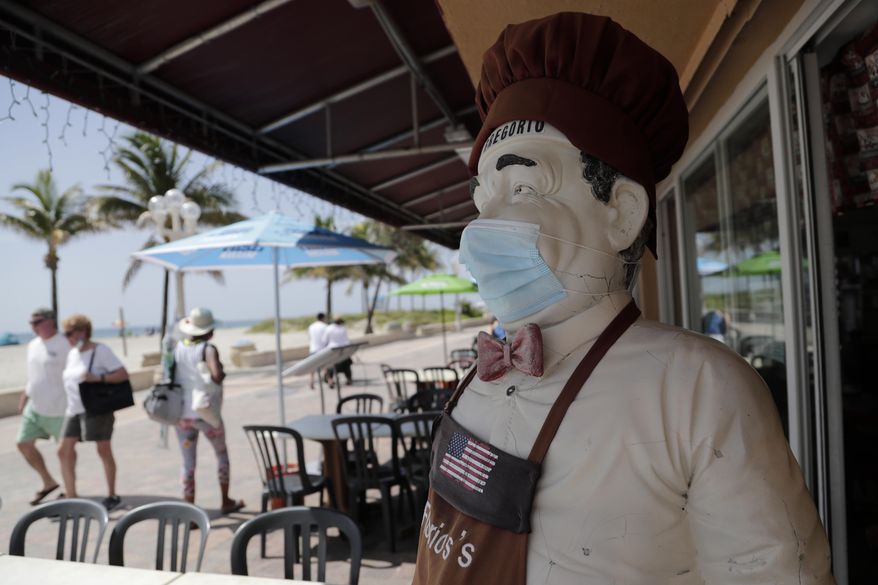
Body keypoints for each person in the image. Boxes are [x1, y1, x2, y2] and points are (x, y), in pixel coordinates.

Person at [413, 13, 833, 585]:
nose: (482, 228)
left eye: (524, 188)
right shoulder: (483, 367)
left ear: (622, 214)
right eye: (485, 199)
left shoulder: (698, 389)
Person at [173, 307, 244, 514]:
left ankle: (190, 510)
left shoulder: (177, 347)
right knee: (221, 454)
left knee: (188, 463)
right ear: (209, 330)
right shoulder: (208, 349)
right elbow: (216, 375)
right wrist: (220, 371)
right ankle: (225, 500)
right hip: (206, 412)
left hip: (182, 415)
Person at [57, 314, 127, 510]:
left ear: (83, 332)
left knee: (103, 450)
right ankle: (72, 496)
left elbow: (122, 374)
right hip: (74, 409)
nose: (67, 337)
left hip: (96, 408)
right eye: (65, 333)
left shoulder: (100, 350)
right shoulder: (73, 353)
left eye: (69, 333)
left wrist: (98, 378)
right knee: (63, 450)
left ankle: (112, 494)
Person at [17, 308, 69, 505]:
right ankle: (48, 482)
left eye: (37, 321)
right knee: (23, 443)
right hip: (35, 407)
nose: (33, 326)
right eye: (31, 322)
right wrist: (24, 397)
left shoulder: (65, 343)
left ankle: (68, 489)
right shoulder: (32, 345)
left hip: (60, 408)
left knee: (64, 452)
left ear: (50, 322)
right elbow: (34, 375)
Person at [321, 317, 352, 388]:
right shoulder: (343, 328)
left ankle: (330, 381)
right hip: (343, 351)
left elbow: (324, 341)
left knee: (330, 367)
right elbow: (347, 341)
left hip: (332, 351)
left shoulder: (329, 328)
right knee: (346, 367)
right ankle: (349, 379)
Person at [307, 312, 328, 389]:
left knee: (312, 367)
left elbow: (309, 337)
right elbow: (326, 339)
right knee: (325, 366)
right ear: (323, 318)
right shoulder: (325, 326)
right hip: (322, 349)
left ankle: (311, 382)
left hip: (313, 349)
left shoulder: (311, 326)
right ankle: (330, 381)